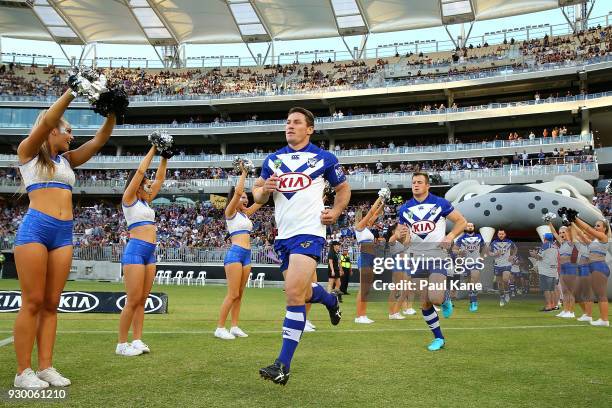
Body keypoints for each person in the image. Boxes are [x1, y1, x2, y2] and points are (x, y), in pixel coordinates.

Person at [13, 89, 116, 388]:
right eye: (68, 131)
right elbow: (47, 120)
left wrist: (112, 113)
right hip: (36, 230)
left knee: (51, 303)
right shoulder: (28, 151)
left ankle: (45, 367)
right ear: (52, 132)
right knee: (32, 301)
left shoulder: (68, 160)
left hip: (63, 233)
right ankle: (23, 372)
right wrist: (72, 92)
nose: (72, 136)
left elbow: (99, 141)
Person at [254, 107, 350, 385]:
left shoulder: (324, 158)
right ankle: (330, 300)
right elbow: (257, 193)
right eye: (287, 122)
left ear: (309, 129)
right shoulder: (272, 160)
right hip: (283, 236)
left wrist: (336, 210)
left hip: (310, 232)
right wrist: (264, 190)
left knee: (293, 294)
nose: (290, 126)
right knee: (304, 291)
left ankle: (282, 365)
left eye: (297, 122)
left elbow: (344, 189)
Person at [398, 172, 467, 351]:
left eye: (420, 182)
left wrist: (450, 235)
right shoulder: (404, 209)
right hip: (417, 259)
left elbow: (461, 221)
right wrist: (401, 237)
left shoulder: (440, 203)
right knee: (425, 303)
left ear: (428, 186)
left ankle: (444, 299)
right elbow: (403, 240)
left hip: (437, 256)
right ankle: (439, 338)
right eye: (413, 182)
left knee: (435, 298)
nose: (416, 185)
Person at [117, 142, 170, 355]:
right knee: (132, 299)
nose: (149, 185)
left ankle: (137, 339)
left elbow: (160, 179)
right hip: (136, 250)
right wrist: (154, 149)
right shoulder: (128, 199)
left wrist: (165, 157)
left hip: (150, 252)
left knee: (142, 299)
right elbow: (140, 172)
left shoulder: (146, 201)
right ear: (137, 184)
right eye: (145, 183)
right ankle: (121, 344)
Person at [215, 160, 262, 340]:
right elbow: (238, 192)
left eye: (245, 198)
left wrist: (268, 184)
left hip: (247, 255)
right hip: (235, 254)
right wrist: (244, 173)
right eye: (242, 197)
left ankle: (234, 326)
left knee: (240, 294)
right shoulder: (230, 212)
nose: (245, 199)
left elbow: (261, 199)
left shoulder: (245, 214)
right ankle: (220, 327)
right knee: (232, 293)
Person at [571, 214, 610, 326]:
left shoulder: (603, 237)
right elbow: (582, 234)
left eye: (598, 226)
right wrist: (572, 222)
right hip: (594, 267)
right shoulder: (594, 241)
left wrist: (576, 218)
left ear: (604, 229)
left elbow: (588, 229)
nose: (596, 227)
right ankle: (597, 317)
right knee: (597, 294)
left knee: (601, 295)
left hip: (599, 266)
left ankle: (604, 320)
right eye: (595, 225)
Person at [354, 197, 384, 324]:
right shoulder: (359, 226)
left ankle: (363, 315)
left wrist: (383, 203)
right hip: (365, 256)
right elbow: (372, 211)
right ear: (361, 217)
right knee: (363, 288)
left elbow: (376, 213)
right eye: (365, 216)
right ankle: (360, 316)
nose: (368, 217)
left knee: (367, 288)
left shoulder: (366, 227)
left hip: (371, 257)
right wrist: (379, 197)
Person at [548, 222, 577, 318]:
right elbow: (554, 233)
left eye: (563, 232)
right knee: (564, 291)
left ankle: (571, 312)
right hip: (562, 268)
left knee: (570, 291)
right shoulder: (562, 243)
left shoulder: (571, 242)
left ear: (568, 232)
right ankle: (565, 310)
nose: (561, 234)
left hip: (570, 267)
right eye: (560, 233)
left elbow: (573, 232)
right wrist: (549, 222)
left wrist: (570, 223)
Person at [454, 222, 485, 312]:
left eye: (471, 226)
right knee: (469, 282)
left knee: (473, 281)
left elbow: (485, 247)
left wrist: (482, 256)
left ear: (473, 227)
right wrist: (459, 252)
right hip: (465, 263)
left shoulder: (479, 236)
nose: (470, 227)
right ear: (465, 227)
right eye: (468, 226)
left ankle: (473, 302)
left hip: (476, 262)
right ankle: (471, 297)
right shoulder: (461, 238)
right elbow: (454, 250)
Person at [488, 229, 517, 306]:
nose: (501, 235)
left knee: (505, 279)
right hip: (498, 265)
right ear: (497, 235)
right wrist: (494, 254)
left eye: (502, 234)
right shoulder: (494, 243)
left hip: (507, 264)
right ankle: (501, 297)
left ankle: (507, 292)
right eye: (499, 234)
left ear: (505, 234)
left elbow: (515, 249)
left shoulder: (509, 242)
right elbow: (489, 252)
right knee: (500, 284)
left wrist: (512, 256)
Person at [530, 234, 558, 312]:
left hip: (545, 270)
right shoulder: (555, 246)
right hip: (553, 269)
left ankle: (548, 305)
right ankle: (553, 305)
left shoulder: (545, 245)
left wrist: (533, 255)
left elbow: (540, 257)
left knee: (546, 289)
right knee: (552, 289)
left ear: (545, 238)